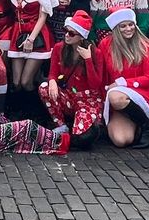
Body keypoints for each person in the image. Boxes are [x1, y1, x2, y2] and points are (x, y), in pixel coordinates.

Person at [39, 10, 106, 148]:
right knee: (44, 87)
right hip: (69, 95)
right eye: (66, 31)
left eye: (71, 33)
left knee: (81, 137)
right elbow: (53, 73)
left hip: (88, 99)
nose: (66, 36)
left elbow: (95, 84)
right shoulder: (59, 48)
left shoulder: (96, 53)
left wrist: (88, 59)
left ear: (82, 36)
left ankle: (81, 128)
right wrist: (52, 81)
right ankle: (61, 125)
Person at [96, 8, 149, 148]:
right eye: (123, 26)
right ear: (116, 29)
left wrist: (122, 83)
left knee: (116, 96)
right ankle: (138, 121)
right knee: (121, 140)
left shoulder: (145, 46)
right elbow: (102, 75)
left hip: (144, 92)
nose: (128, 29)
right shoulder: (105, 44)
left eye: (131, 24)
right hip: (118, 99)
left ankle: (147, 126)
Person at [6, 0, 54, 110]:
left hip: (37, 34)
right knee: (16, 82)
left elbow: (43, 16)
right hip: (17, 33)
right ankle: (19, 114)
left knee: (27, 81)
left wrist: (31, 39)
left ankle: (36, 113)